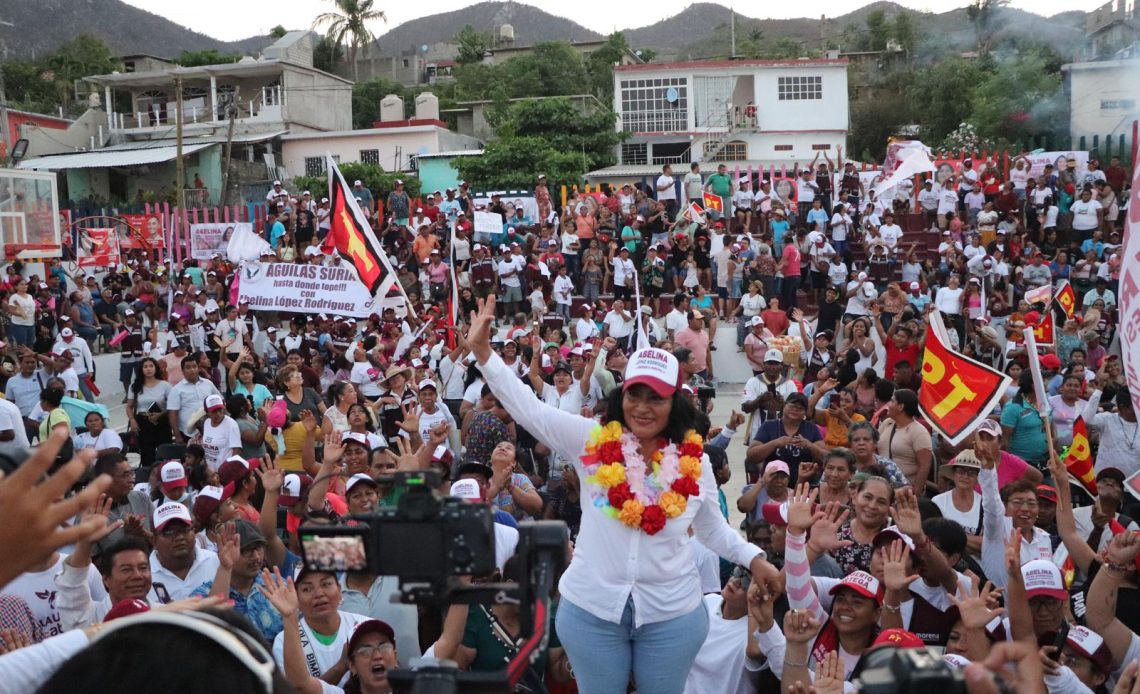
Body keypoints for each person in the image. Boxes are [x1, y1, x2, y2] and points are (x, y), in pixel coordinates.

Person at [467, 295, 779, 694]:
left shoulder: (694, 462)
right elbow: (531, 410)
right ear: (621, 395)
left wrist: (755, 559)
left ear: (675, 402)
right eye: (635, 395)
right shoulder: (591, 443)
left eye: (656, 398)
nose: (643, 408)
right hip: (592, 612)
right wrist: (483, 353)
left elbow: (712, 531)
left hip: (672, 617)